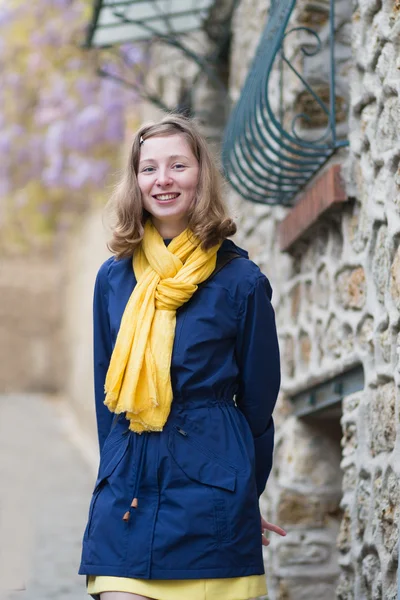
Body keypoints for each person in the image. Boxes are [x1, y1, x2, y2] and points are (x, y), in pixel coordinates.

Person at [79, 114, 285, 600]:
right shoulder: (114, 278)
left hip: (210, 493)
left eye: (177, 165)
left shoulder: (241, 281)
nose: (163, 179)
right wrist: (112, 471)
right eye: (149, 169)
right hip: (127, 490)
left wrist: (244, 496)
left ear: (201, 176)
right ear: (136, 182)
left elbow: (258, 406)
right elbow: (104, 396)